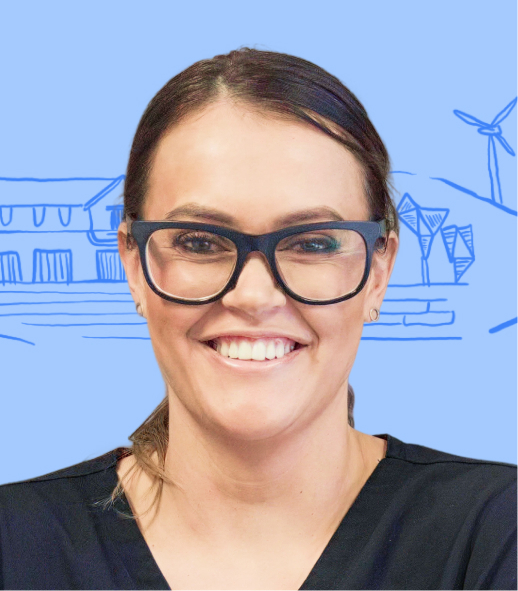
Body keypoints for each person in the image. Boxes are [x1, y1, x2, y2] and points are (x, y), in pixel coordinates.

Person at [0, 48, 515, 591]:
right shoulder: (14, 544)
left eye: (313, 243)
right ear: (133, 265)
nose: (253, 295)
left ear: (378, 274)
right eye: (199, 242)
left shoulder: (497, 532)